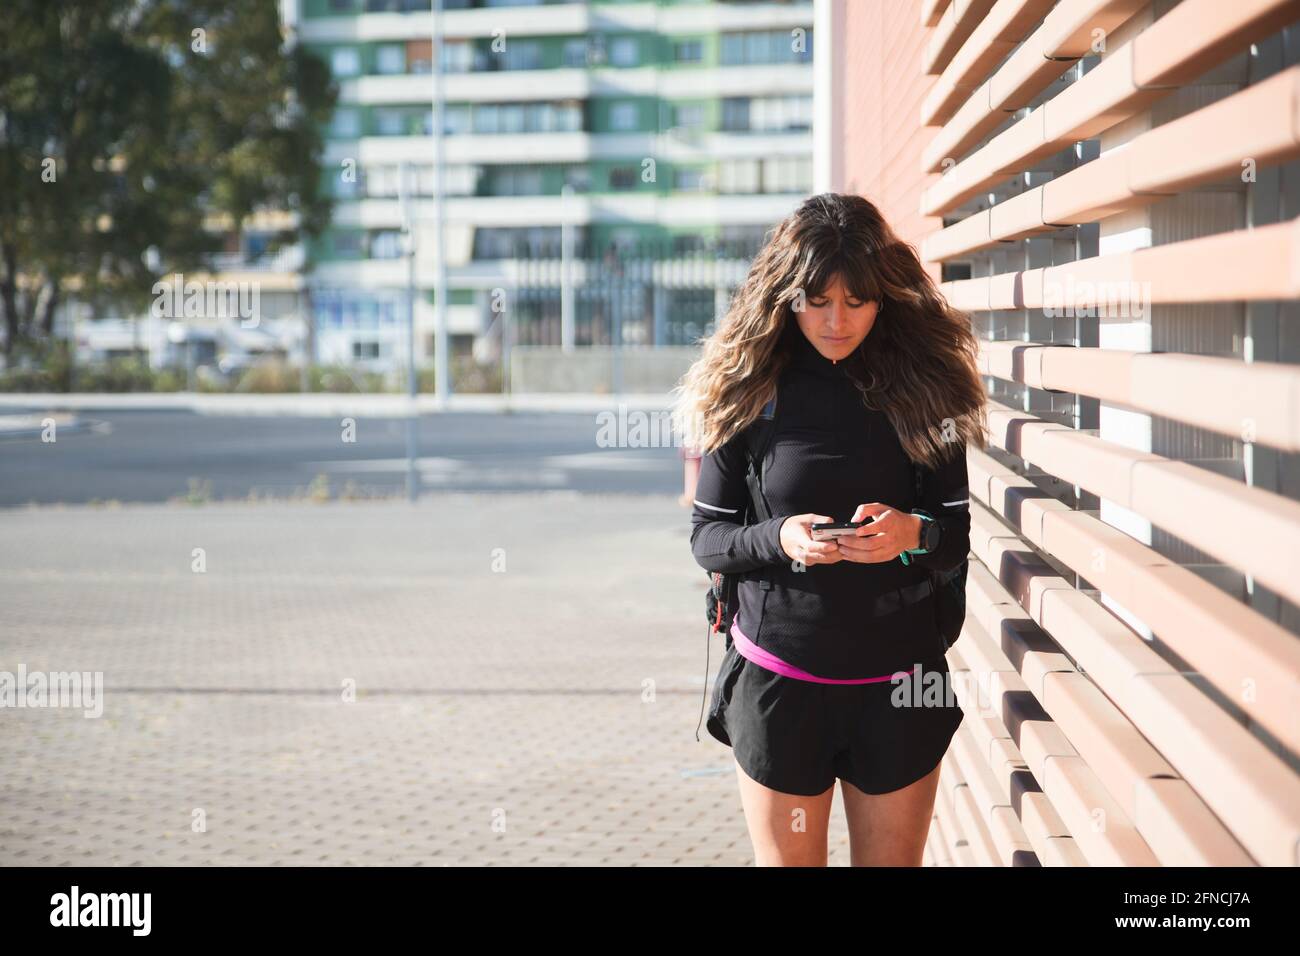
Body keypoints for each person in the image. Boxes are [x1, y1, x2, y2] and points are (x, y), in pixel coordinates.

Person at [672, 192, 988, 866]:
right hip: (780, 685)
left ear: (885, 296)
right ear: (786, 296)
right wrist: (778, 539)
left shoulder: (927, 388)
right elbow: (709, 538)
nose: (837, 320)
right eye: (817, 300)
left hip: (900, 688)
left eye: (857, 301)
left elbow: (956, 538)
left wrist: (912, 535)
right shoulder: (750, 388)